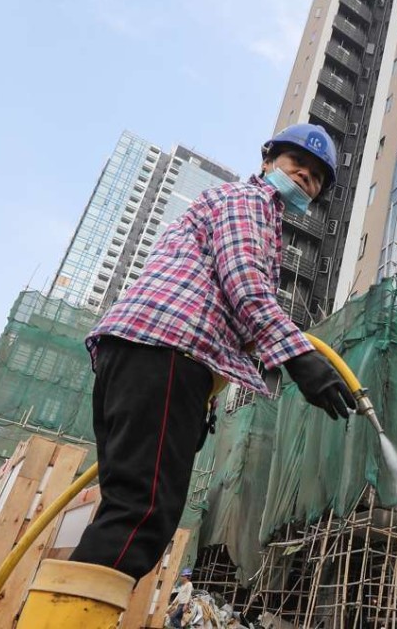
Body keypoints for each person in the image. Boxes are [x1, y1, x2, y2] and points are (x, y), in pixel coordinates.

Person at [68, 123, 358, 581]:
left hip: (137, 351)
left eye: (317, 176)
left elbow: (229, 301)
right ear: (267, 162)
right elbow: (246, 285)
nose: (306, 177)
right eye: (296, 164)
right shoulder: (251, 201)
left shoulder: (245, 214)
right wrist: (301, 358)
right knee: (142, 517)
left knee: (126, 508)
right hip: (167, 352)